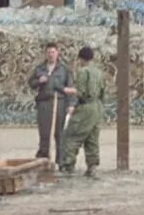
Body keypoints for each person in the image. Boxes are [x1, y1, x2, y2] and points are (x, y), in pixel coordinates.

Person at [59, 45, 107, 177]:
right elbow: (104, 93)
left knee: (71, 136)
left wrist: (64, 90)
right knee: (92, 138)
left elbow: (79, 92)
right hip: (97, 108)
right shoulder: (99, 72)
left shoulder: (82, 72)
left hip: (85, 107)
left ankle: (68, 166)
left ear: (81, 58)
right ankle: (92, 167)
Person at [28, 42, 74, 160]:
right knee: (44, 132)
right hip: (44, 103)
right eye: (48, 52)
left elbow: (69, 88)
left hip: (59, 103)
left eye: (53, 52)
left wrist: (70, 105)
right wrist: (39, 81)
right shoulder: (40, 69)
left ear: (57, 53)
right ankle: (43, 158)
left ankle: (61, 161)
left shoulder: (63, 69)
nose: (51, 55)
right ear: (45, 54)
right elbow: (31, 83)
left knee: (59, 133)